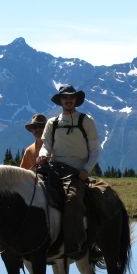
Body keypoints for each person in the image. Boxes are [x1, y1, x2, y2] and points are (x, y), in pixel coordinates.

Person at [37, 85, 100, 258]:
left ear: (76, 100)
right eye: (65, 97)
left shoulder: (85, 120)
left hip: (76, 171)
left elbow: (95, 150)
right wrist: (42, 155)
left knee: (72, 200)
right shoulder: (52, 122)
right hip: (54, 167)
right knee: (32, 192)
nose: (68, 100)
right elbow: (46, 145)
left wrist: (86, 170)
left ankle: (74, 245)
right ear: (60, 100)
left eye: (71, 97)